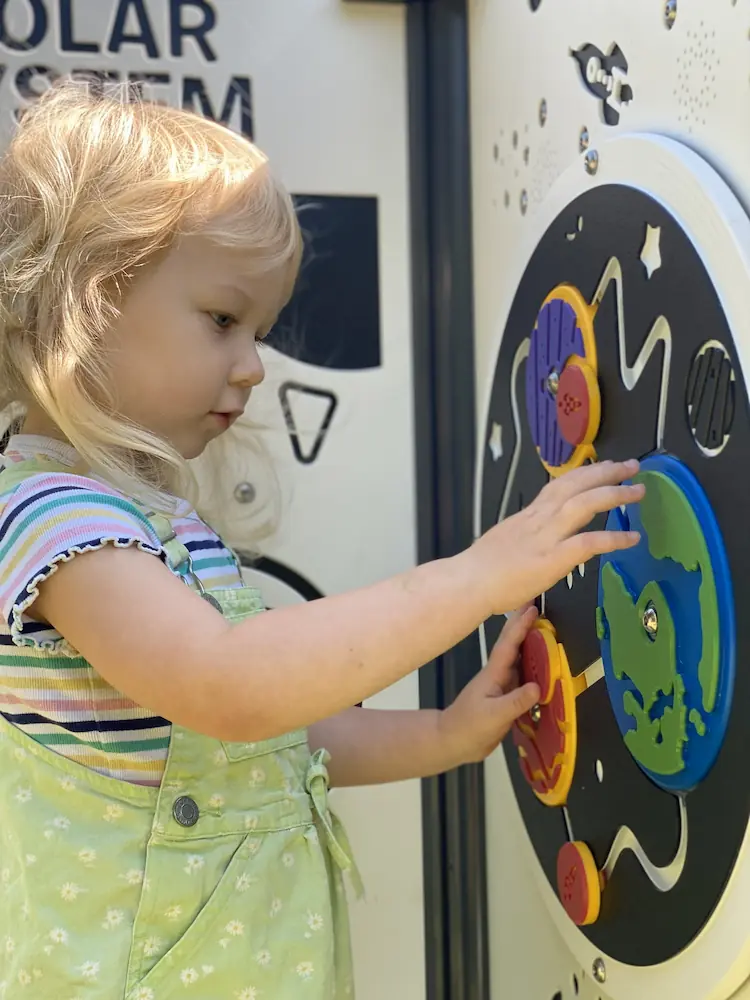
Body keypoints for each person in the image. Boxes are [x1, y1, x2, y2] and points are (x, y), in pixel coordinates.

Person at [0, 78, 643, 1000]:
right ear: (85, 304)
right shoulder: (55, 522)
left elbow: (264, 742)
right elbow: (233, 691)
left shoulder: (155, 522)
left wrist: (442, 733)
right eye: (224, 320)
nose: (256, 365)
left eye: (260, 330)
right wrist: (477, 577)